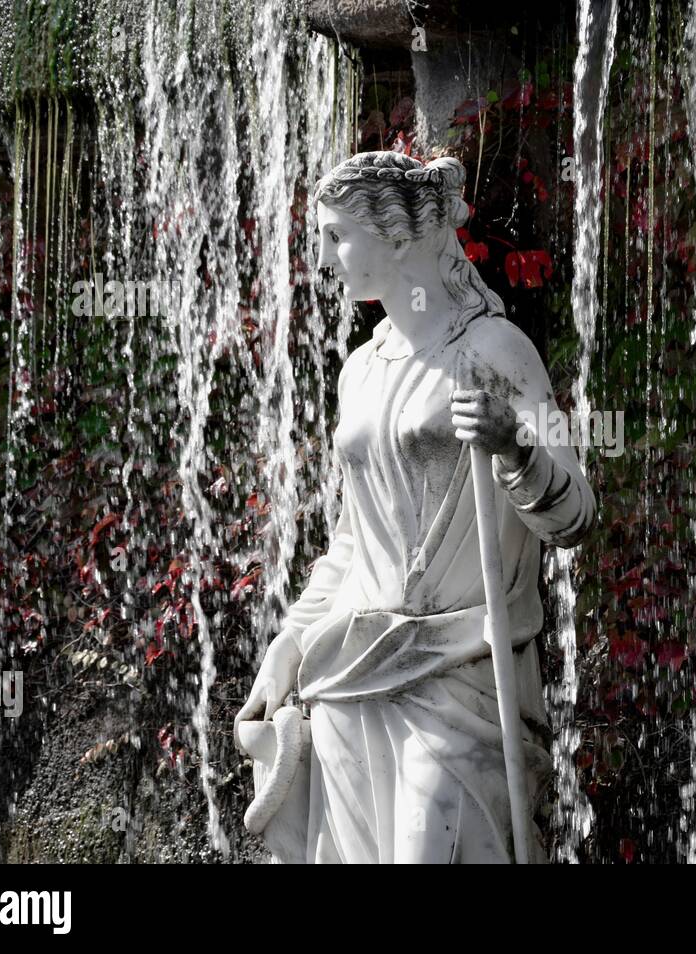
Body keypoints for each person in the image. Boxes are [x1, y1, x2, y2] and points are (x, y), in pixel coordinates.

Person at [235, 150, 595, 863]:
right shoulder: (359, 374)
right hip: (349, 676)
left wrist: (518, 447)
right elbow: (349, 544)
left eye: (338, 237)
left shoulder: (496, 349)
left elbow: (576, 512)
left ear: (397, 238)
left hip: (460, 673)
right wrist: (290, 643)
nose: (327, 258)